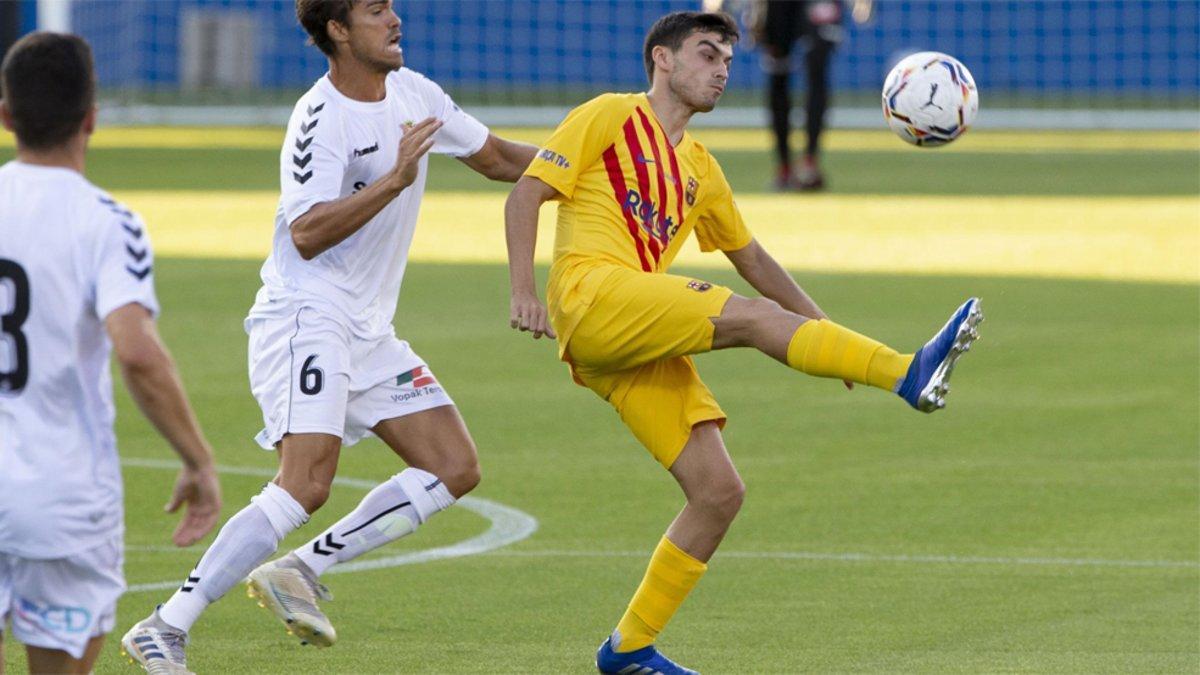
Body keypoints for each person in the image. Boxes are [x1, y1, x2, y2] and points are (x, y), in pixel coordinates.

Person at [505, 11, 981, 674]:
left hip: (624, 334)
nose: (722, 70)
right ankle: (907, 373)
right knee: (753, 319)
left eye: (728, 60)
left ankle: (629, 647)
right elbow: (526, 194)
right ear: (662, 60)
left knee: (719, 492)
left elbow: (754, 258)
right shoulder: (609, 114)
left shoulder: (701, 167)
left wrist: (824, 331)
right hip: (589, 295)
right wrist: (524, 289)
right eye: (706, 54)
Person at [120, 0, 538, 672]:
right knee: (305, 483)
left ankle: (302, 568)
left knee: (454, 465)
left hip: (368, 328)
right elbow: (307, 233)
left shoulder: (414, 92)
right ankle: (164, 625)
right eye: (376, 10)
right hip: (306, 315)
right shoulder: (319, 117)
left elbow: (496, 158)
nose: (395, 18)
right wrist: (394, 180)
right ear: (338, 31)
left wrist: (591, 168)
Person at [0, 32, 222, 675]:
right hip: (62, 498)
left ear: (7, 116)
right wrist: (198, 460)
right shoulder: (106, 222)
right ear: (92, 117)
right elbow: (138, 354)